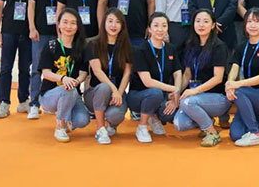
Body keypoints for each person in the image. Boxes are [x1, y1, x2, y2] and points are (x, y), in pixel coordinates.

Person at [173, 9, 231, 147]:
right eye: (198, 21)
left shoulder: (219, 46)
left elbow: (218, 78)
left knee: (187, 103)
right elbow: (187, 74)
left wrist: (194, 91)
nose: (201, 25)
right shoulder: (190, 45)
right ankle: (207, 120)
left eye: (206, 21)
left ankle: (212, 133)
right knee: (180, 124)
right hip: (197, 97)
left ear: (213, 25)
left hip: (218, 97)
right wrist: (177, 92)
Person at [225, 8, 259, 146]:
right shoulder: (241, 47)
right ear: (244, 25)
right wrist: (229, 83)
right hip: (246, 96)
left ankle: (255, 133)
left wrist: (237, 85)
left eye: (257, 21)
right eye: (249, 21)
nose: (253, 25)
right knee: (235, 135)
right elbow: (234, 69)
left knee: (239, 90)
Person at [128, 12, 183, 143]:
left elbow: (177, 72)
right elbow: (147, 82)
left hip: (162, 95)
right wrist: (173, 89)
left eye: (164, 26)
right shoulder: (140, 50)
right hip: (139, 96)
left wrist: (176, 94)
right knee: (155, 93)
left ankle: (154, 117)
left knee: (172, 115)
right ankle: (142, 126)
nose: (160, 29)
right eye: (156, 25)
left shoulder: (170, 48)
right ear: (149, 28)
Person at [37, 8, 90, 142]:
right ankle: (60, 126)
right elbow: (46, 73)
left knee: (83, 120)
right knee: (67, 89)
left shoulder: (81, 48)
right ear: (59, 24)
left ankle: (65, 114)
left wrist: (77, 81)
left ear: (77, 26)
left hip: (73, 94)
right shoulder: (51, 46)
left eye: (73, 23)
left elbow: (84, 72)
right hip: (49, 95)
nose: (68, 26)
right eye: (65, 22)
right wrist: (63, 78)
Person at [26, 0, 66, 119]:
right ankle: (34, 104)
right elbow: (31, 5)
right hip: (40, 32)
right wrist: (32, 27)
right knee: (37, 68)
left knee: (59, 68)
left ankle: (53, 103)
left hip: (60, 33)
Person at [83, 8, 132, 144]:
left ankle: (111, 125)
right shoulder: (93, 44)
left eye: (117, 22)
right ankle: (100, 128)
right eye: (110, 21)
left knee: (115, 115)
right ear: (104, 23)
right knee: (104, 87)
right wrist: (114, 89)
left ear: (122, 25)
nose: (113, 25)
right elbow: (97, 71)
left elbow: (127, 73)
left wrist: (119, 93)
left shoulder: (126, 46)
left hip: (116, 94)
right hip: (95, 92)